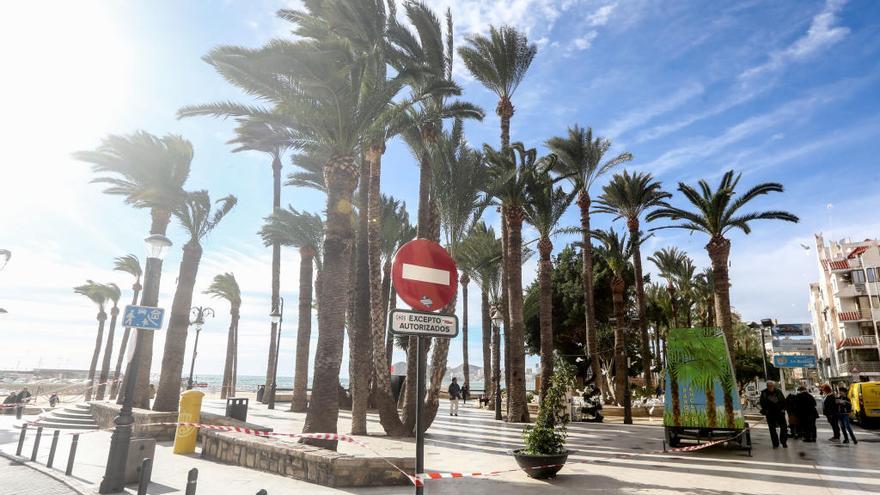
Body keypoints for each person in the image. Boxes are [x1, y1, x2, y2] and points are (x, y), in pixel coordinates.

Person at [759, 380, 788, 448]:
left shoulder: (778, 391)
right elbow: (762, 402)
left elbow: (783, 400)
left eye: (771, 386)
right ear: (767, 386)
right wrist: (765, 410)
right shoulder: (764, 393)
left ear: (774, 386)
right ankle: (775, 444)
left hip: (780, 412)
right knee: (772, 429)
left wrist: (783, 409)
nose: (770, 387)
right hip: (770, 413)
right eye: (768, 386)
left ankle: (783, 442)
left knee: (784, 427)